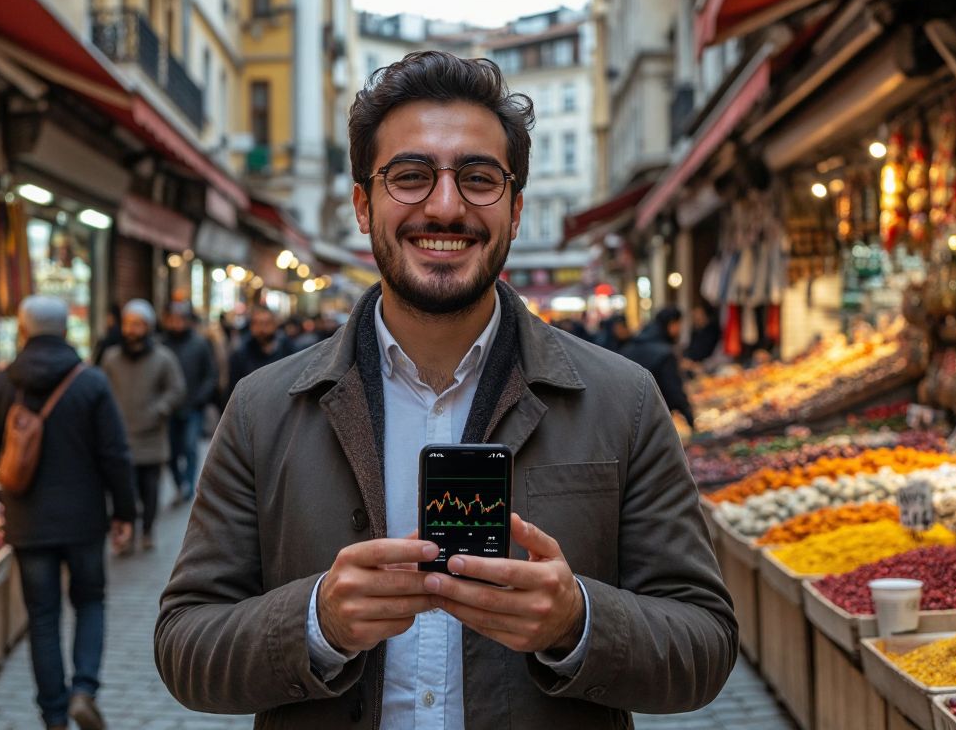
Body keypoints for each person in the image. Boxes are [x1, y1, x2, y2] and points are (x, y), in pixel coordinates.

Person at [156, 51, 736, 728]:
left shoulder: (623, 401)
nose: (445, 205)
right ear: (362, 204)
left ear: (515, 210)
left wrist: (577, 620)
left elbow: (705, 643)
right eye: (410, 176)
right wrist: (317, 620)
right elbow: (183, 647)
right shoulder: (263, 408)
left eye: (479, 179)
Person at [0, 296, 136, 730]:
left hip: (28, 521)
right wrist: (125, 512)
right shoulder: (91, 382)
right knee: (89, 601)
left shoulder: (4, 382)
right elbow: (116, 454)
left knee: (42, 616)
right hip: (84, 519)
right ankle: (84, 690)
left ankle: (55, 714)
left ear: (23, 331)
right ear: (66, 331)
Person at [100, 299, 185, 551]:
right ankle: (127, 534)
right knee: (124, 491)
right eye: (128, 324)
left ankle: (147, 530)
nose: (131, 330)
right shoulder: (111, 358)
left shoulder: (163, 358)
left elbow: (177, 390)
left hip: (151, 439)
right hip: (120, 438)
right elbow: (100, 391)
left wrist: (159, 410)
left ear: (148, 327)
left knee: (149, 491)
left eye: (137, 324)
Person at [161, 302, 218, 504]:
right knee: (171, 452)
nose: (176, 323)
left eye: (180, 319)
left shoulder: (199, 344)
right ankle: (180, 483)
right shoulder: (163, 345)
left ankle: (189, 486)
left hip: (193, 406)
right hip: (169, 408)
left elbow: (210, 375)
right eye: (172, 319)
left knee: (190, 447)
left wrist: (201, 398)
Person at [621, 307, 697, 430]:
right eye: (679, 325)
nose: (680, 330)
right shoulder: (664, 352)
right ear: (672, 324)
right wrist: (690, 420)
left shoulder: (634, 344)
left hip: (629, 415)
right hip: (651, 418)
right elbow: (674, 391)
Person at [225, 305, 293, 400]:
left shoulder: (288, 350)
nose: (262, 329)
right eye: (257, 323)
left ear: (275, 325)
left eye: (266, 323)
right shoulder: (240, 354)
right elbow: (233, 389)